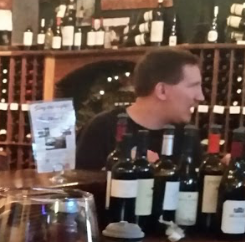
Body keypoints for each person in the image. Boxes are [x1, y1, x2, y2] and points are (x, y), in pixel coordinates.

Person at [75, 48, 205, 171]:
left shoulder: (187, 135)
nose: (201, 97)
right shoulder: (101, 128)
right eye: (193, 86)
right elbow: (81, 183)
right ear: (162, 91)